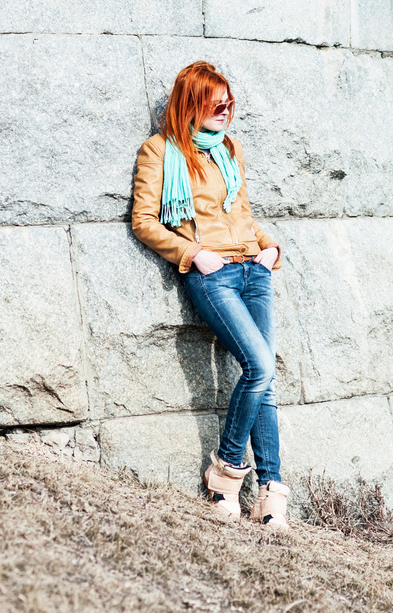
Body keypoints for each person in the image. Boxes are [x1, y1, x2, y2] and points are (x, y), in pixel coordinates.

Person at [131, 61, 290, 527]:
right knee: (259, 367)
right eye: (214, 102)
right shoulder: (159, 152)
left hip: (253, 270)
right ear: (191, 104)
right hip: (212, 273)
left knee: (267, 382)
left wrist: (269, 244)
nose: (225, 110)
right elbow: (144, 221)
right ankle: (224, 474)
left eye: (229, 103)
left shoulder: (228, 150)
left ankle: (269, 495)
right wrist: (193, 253)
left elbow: (240, 212)